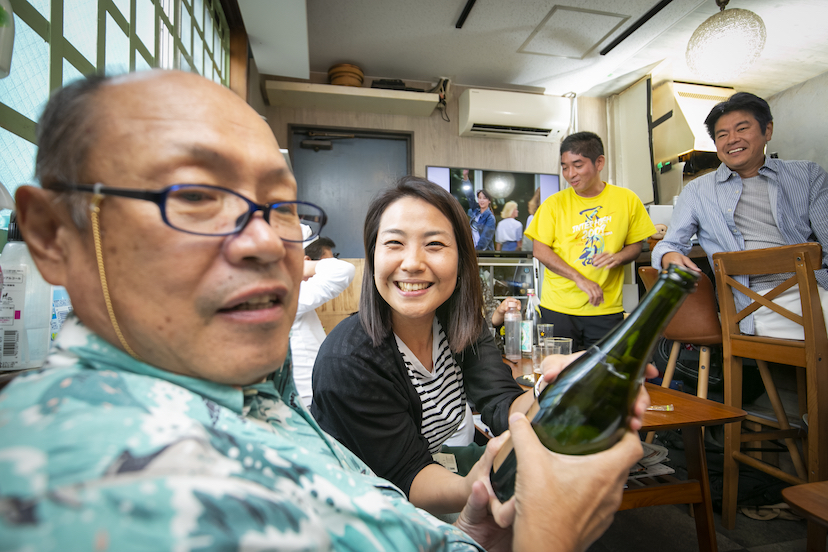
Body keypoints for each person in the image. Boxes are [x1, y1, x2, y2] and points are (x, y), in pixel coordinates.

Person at [0, 70, 650, 551]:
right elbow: (405, 474)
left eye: (279, 205)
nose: (262, 240)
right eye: (195, 194)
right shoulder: (99, 481)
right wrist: (550, 534)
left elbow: (472, 417)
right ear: (54, 234)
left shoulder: (255, 388)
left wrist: (483, 510)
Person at [311, 177, 655, 516]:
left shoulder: (459, 323)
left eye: (434, 244)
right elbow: (406, 478)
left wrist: (559, 386)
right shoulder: (348, 360)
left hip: (430, 467)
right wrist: (476, 486)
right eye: (394, 243)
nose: (413, 263)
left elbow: (502, 405)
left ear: (462, 260)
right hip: (360, 510)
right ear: (372, 257)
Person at [652, 92, 828, 338]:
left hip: (816, 290)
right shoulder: (697, 191)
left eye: (742, 128)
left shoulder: (807, 175)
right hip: (753, 303)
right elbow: (669, 244)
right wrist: (668, 254)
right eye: (722, 135)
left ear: (768, 130)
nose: (732, 139)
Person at [525, 132, 656, 351]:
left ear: (599, 162)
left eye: (577, 165)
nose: (570, 174)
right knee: (560, 375)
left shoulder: (627, 200)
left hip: (605, 308)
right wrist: (580, 279)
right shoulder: (553, 204)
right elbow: (540, 250)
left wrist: (618, 257)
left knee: (602, 376)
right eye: (565, 167)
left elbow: (635, 245)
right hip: (558, 307)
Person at [290, 233, 355, 407]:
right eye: (322, 263)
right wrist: (299, 266)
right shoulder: (289, 295)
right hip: (308, 399)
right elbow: (342, 271)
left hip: (319, 392)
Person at [463, 175, 496, 251]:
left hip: (483, 252)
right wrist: (466, 179)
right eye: (479, 198)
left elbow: (486, 238)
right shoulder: (476, 210)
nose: (481, 200)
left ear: (489, 201)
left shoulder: (490, 217)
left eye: (484, 198)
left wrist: (477, 251)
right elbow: (470, 196)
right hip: (473, 248)